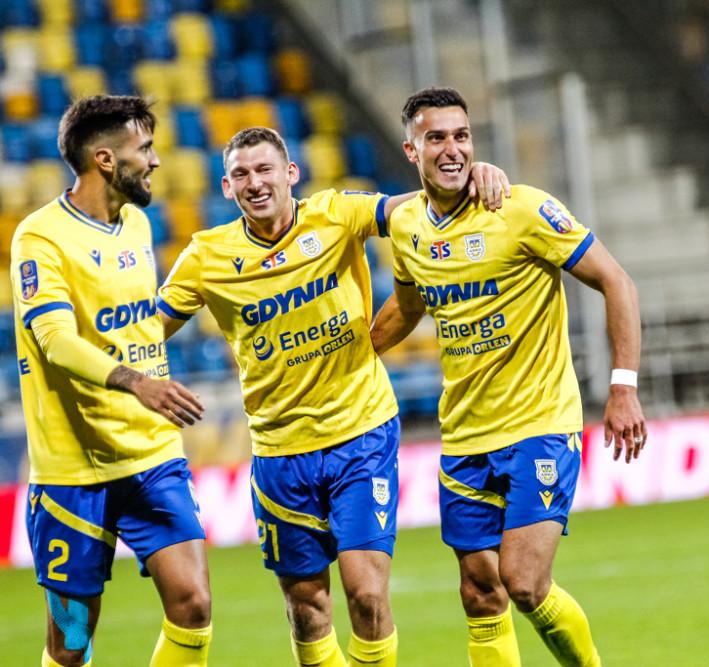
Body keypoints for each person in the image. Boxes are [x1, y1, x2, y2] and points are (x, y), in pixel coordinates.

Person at [156, 125, 509, 667]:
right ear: (226, 187)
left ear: (290, 173)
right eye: (241, 174)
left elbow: (416, 206)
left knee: (366, 595)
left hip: (360, 434)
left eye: (265, 169)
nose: (255, 183)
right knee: (307, 608)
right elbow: (145, 332)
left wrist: (469, 179)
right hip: (280, 452)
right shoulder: (207, 257)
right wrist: (123, 374)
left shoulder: (337, 213)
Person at [370, 87, 646, 667]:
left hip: (538, 425)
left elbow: (616, 281)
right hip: (464, 435)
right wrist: (350, 354)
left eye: (462, 136)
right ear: (411, 149)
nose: (453, 149)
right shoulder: (407, 228)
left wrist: (623, 387)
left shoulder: (521, 209)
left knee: (522, 580)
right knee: (479, 592)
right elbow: (409, 306)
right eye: (436, 138)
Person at [9, 95, 211, 667]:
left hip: (152, 455)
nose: (155, 160)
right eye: (143, 149)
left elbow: (136, 322)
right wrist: (137, 382)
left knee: (194, 605)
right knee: (71, 644)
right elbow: (54, 339)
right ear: (104, 159)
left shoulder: (138, 224)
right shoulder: (40, 237)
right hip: (73, 471)